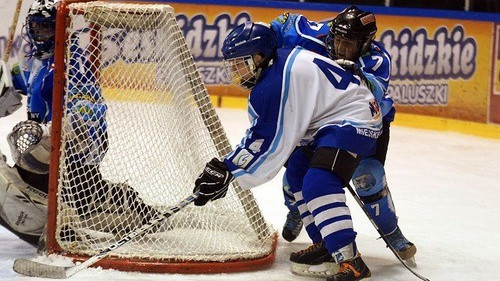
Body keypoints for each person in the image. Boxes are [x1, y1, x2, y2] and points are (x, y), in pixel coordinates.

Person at [193, 21, 382, 281]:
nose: (235, 70)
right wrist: (229, 168)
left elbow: (269, 140)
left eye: (240, 62)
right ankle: (326, 245)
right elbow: (266, 136)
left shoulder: (274, 81)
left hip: (355, 117)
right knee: (296, 174)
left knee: (319, 181)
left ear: (259, 57)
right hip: (331, 119)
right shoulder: (273, 67)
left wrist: (228, 169)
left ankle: (350, 259)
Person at [269, 7, 417, 275]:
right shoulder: (319, 35)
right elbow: (283, 25)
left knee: (369, 178)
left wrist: (358, 75)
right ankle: (301, 215)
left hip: (367, 123)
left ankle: (392, 233)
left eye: (347, 45)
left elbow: (375, 90)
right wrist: (265, 39)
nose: (338, 47)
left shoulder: (378, 59)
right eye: (337, 40)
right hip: (318, 121)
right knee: (296, 176)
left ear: (365, 44)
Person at [0, 0, 158, 248]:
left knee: (14, 186)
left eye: (48, 28)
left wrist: (50, 134)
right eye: (36, 27)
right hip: (44, 157)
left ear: (62, 27)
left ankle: (68, 218)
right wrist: (7, 80)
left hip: (67, 162)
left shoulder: (71, 63)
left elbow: (90, 116)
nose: (41, 34)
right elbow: (26, 88)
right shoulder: (38, 58)